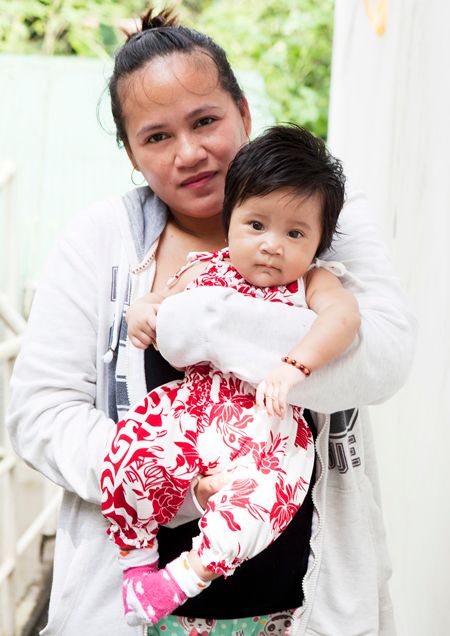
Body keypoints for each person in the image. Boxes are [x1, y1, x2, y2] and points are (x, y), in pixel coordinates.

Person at [6, 5, 416, 636]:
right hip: (131, 614)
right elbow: (40, 413)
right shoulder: (99, 242)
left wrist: (204, 319)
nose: (190, 153)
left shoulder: (321, 219)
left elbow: (382, 358)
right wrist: (171, 485)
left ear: (243, 114)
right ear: (130, 153)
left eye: (205, 121)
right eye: (156, 137)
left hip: (311, 612)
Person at [101, 124, 360, 627]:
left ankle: (182, 579)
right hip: (192, 409)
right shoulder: (204, 268)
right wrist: (142, 313)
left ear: (318, 243)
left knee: (262, 502)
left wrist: (294, 364)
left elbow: (343, 319)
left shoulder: (313, 282)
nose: (271, 246)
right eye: (256, 224)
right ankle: (137, 563)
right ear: (230, 217)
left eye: (295, 233)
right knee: (130, 453)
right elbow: (157, 303)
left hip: (267, 429)